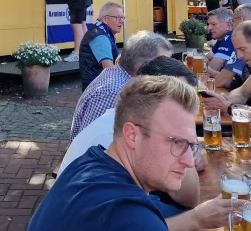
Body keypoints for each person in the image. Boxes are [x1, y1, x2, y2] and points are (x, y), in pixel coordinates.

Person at [29, 76, 234, 231]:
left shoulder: (89, 162)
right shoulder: (130, 217)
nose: (190, 162)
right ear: (132, 135)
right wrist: (196, 220)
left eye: (191, 146)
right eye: (177, 142)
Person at [57, 58, 212, 220]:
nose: (187, 113)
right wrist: (197, 219)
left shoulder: (134, 128)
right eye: (178, 102)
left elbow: (189, 198)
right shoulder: (111, 137)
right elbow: (188, 200)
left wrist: (184, 145)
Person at [70, 31, 173, 141]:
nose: (168, 70)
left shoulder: (119, 76)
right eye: (163, 64)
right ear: (141, 65)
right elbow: (91, 144)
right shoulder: (113, 91)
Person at [78, 1, 124, 89]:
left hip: (95, 87)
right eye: (118, 18)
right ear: (105, 19)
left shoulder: (100, 30)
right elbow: (109, 70)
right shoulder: (100, 37)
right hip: (98, 90)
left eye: (122, 17)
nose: (122, 21)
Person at [203, 8, 249, 90]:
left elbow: (212, 67)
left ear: (228, 26)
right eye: (208, 24)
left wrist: (204, 66)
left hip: (234, 89)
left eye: (213, 24)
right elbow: (206, 58)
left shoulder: (230, 37)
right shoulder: (222, 38)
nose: (209, 28)